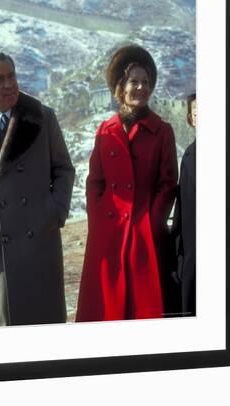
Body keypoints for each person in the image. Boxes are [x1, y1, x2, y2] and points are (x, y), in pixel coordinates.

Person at [0, 52, 75, 327]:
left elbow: (64, 170)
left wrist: (54, 211)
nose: (9, 84)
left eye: (12, 76)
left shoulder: (42, 118)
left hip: (40, 244)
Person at [76, 44, 179, 322]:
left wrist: (151, 219)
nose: (141, 88)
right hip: (108, 235)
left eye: (146, 82)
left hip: (144, 234)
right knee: (105, 309)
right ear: (121, 87)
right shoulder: (105, 130)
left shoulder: (162, 131)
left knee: (142, 310)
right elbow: (94, 181)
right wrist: (99, 220)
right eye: (134, 81)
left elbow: (168, 182)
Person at [174, 94, 196, 316]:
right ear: (190, 118)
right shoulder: (189, 156)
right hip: (192, 250)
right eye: (197, 114)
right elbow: (182, 205)